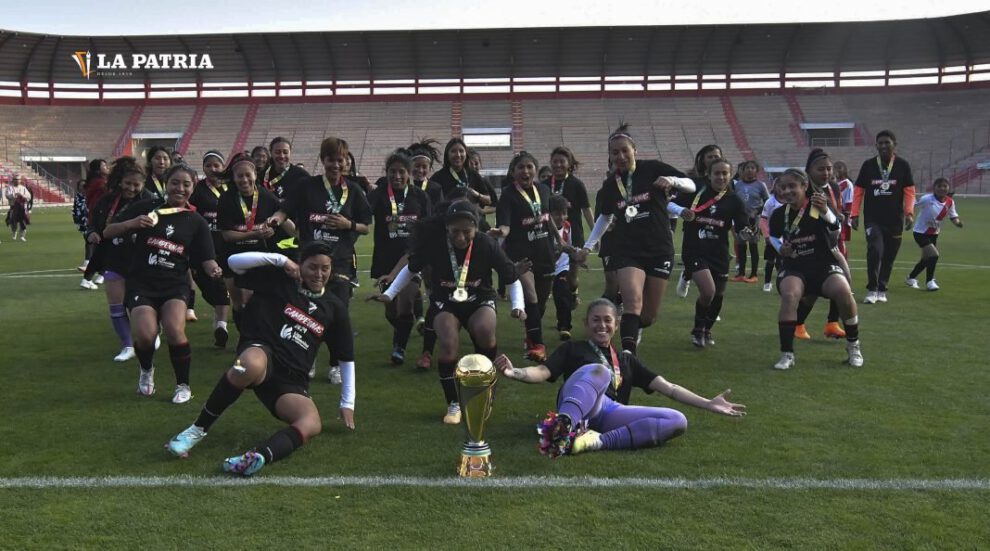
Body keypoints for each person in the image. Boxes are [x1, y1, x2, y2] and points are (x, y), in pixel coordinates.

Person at [165, 241, 357, 476]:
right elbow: (233, 263)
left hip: (291, 379)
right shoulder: (278, 279)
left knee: (311, 422)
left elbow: (346, 357)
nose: (319, 274)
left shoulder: (335, 307)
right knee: (248, 365)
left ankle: (257, 457)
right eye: (312, 267)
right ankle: (195, 431)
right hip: (261, 354)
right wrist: (280, 260)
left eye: (325, 268)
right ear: (300, 265)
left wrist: (347, 403)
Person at [495, 298, 745, 456]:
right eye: (595, 320)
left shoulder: (626, 359)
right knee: (600, 371)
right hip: (578, 405)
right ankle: (563, 427)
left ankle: (594, 442)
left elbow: (669, 388)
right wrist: (515, 372)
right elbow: (543, 372)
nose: (601, 326)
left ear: (616, 325)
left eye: (607, 321)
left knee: (677, 420)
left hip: (609, 413)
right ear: (586, 323)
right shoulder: (573, 348)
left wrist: (708, 404)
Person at [372, 200, 525, 424]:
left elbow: (512, 277)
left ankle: (484, 391)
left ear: (476, 228)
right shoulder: (435, 243)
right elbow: (411, 269)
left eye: (467, 232)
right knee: (448, 345)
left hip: (479, 299)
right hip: (446, 302)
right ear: (446, 228)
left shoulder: (486, 244)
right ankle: (454, 403)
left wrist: (518, 305)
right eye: (455, 232)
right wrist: (390, 294)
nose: (461, 237)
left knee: (485, 331)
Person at [103, 163, 223, 403]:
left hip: (175, 285)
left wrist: (214, 269)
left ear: (193, 187)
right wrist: (132, 223)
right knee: (146, 336)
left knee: (174, 330)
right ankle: (146, 370)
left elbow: (207, 257)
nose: (180, 188)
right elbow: (108, 232)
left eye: (186, 184)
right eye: (175, 183)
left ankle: (183, 385)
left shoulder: (196, 221)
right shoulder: (147, 208)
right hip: (142, 283)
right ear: (166, 184)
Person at [575, 123, 696, 355]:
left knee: (648, 316)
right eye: (615, 153)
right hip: (627, 250)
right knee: (632, 302)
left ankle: (633, 327)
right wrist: (587, 247)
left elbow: (691, 185)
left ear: (634, 150)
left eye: (625, 150)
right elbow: (604, 217)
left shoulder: (652, 168)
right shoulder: (610, 185)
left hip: (659, 248)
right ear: (610, 156)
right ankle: (628, 357)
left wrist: (672, 180)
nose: (620, 156)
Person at [267, 137, 371, 384]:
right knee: (304, 311)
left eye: (340, 160)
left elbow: (366, 226)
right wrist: (274, 220)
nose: (336, 165)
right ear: (323, 160)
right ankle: (307, 358)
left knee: (337, 313)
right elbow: (285, 210)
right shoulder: (307, 186)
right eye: (331, 160)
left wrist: (348, 224)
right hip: (309, 262)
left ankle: (335, 364)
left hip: (340, 262)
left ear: (346, 162)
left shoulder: (354, 190)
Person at [768, 168, 863, 370]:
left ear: (804, 186)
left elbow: (836, 229)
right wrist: (781, 248)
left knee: (843, 291)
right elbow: (774, 237)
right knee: (790, 295)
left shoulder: (818, 206)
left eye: (792, 186)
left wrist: (826, 212)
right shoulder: (778, 214)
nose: (786, 191)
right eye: (783, 187)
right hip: (795, 266)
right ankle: (787, 354)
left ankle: (853, 346)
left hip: (822, 265)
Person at [670, 158, 751, 347]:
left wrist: (746, 233)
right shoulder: (697, 192)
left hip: (719, 252)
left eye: (725, 173)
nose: (721, 177)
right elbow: (669, 204)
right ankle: (698, 330)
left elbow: (742, 227)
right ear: (709, 174)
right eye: (717, 173)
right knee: (708, 291)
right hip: (695, 249)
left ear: (730, 175)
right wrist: (681, 211)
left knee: (718, 294)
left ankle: (707, 330)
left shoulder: (734, 200)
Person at [86, 157, 156, 362]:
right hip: (113, 256)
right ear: (120, 181)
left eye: (136, 185)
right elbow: (94, 224)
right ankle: (127, 345)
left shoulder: (151, 200)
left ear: (143, 184)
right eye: (128, 183)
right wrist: (91, 234)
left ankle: (152, 332)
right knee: (116, 304)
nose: (131, 188)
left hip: (141, 258)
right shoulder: (107, 200)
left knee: (144, 302)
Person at [490, 151, 557, 361]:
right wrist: (500, 232)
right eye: (520, 167)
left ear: (535, 169)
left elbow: (547, 218)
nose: (525, 171)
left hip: (545, 253)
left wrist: (561, 242)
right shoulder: (507, 195)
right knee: (531, 296)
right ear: (513, 172)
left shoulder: (544, 190)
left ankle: (530, 334)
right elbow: (505, 225)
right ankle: (538, 345)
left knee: (540, 303)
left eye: (529, 167)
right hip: (520, 255)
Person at [367, 149, 432, 365]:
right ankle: (405, 327)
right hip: (385, 260)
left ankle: (399, 348)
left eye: (401, 172)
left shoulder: (419, 196)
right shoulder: (378, 195)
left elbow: (428, 225)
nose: (397, 176)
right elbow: (362, 214)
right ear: (386, 172)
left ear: (409, 173)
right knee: (392, 312)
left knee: (405, 303)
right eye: (392, 172)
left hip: (412, 259)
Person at [792, 149, 854, 341]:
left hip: (834, 242)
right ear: (809, 170)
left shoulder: (833, 187)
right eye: (820, 169)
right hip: (814, 246)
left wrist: (838, 215)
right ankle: (798, 324)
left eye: (828, 168)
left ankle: (832, 323)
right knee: (812, 292)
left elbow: (835, 212)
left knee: (843, 283)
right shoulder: (805, 190)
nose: (826, 173)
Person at [850, 130, 915, 304]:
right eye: (880, 143)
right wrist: (854, 214)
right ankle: (872, 289)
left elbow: (909, 191)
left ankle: (882, 287)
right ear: (876, 146)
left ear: (894, 144)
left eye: (887, 142)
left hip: (894, 220)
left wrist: (909, 213)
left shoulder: (902, 165)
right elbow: (858, 191)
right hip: (873, 219)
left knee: (889, 256)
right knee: (875, 250)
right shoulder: (868, 165)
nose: (884, 146)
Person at [217, 153, 285, 321]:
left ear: (255, 174)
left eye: (248, 175)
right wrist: (255, 233)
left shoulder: (266, 196)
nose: (244, 180)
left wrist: (274, 224)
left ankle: (253, 332)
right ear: (234, 177)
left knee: (251, 301)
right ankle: (243, 330)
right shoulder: (226, 199)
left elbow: (282, 215)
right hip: (231, 256)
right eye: (240, 176)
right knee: (238, 302)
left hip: (257, 255)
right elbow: (226, 235)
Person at [188, 150, 233, 347]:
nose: (213, 169)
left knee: (221, 283)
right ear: (203, 168)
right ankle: (219, 316)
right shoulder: (197, 190)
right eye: (208, 165)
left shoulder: (231, 187)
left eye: (216, 165)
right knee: (207, 286)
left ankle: (222, 325)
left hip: (227, 244)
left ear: (223, 167)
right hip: (203, 245)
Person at [676, 144, 724, 299]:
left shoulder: (725, 182)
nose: (714, 159)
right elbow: (674, 203)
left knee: (713, 272)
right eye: (710, 156)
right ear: (702, 160)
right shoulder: (693, 182)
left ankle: (688, 274)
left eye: (716, 156)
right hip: (694, 229)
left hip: (717, 230)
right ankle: (687, 274)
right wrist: (682, 211)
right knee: (695, 261)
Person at [906, 177, 963, 291]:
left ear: (948, 188)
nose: (942, 188)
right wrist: (909, 217)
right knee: (934, 255)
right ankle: (930, 281)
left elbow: (953, 216)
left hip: (934, 233)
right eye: (939, 186)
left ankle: (911, 278)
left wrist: (957, 223)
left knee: (926, 259)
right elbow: (913, 205)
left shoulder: (950, 202)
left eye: (944, 186)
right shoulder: (927, 199)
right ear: (934, 188)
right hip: (920, 232)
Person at [731, 160, 769, 283]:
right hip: (740, 220)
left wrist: (756, 211)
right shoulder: (737, 185)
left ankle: (753, 274)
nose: (750, 170)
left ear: (756, 171)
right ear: (743, 170)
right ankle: (741, 274)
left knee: (753, 246)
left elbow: (767, 202)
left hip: (754, 220)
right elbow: (733, 200)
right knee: (741, 246)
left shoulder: (761, 185)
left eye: (752, 168)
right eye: (747, 167)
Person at [548, 194, 580, 341]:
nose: (561, 217)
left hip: (562, 267)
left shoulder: (567, 226)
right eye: (557, 214)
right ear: (549, 214)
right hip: (546, 268)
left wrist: (576, 256)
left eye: (564, 213)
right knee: (540, 300)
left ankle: (565, 327)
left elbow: (570, 246)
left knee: (561, 294)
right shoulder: (545, 228)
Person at [431, 139, 493, 211]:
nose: (458, 155)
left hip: (471, 216)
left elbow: (488, 201)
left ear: (466, 154)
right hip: (448, 216)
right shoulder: (438, 177)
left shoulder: (473, 174)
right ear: (447, 154)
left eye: (461, 151)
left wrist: (476, 194)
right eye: (453, 151)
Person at [260, 137, 310, 201]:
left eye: (285, 152)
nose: (282, 156)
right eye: (277, 152)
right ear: (271, 153)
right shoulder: (262, 176)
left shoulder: (302, 175)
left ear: (290, 153)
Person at [759, 177, 785, 293]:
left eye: (784, 186)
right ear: (775, 187)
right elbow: (763, 220)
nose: (782, 189)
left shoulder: (790, 201)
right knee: (770, 261)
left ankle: (782, 283)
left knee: (782, 262)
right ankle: (767, 283)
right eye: (779, 186)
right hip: (772, 237)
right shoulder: (770, 202)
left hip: (785, 237)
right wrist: (767, 236)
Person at [72, 179, 94, 285]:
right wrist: (76, 220)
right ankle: (88, 262)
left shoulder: (90, 196)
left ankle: (88, 262)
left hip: (90, 221)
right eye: (81, 186)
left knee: (90, 241)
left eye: (84, 185)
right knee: (89, 241)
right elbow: (75, 209)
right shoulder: (78, 197)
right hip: (82, 222)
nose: (83, 187)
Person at [5, 176, 31, 241]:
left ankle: (22, 236)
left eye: (18, 179)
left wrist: (22, 195)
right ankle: (14, 233)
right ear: (13, 180)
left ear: (20, 180)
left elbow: (29, 196)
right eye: (15, 179)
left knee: (23, 222)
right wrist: (14, 195)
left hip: (22, 208)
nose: (17, 181)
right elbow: (7, 196)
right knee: (13, 222)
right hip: (13, 207)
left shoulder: (23, 188)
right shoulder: (10, 188)